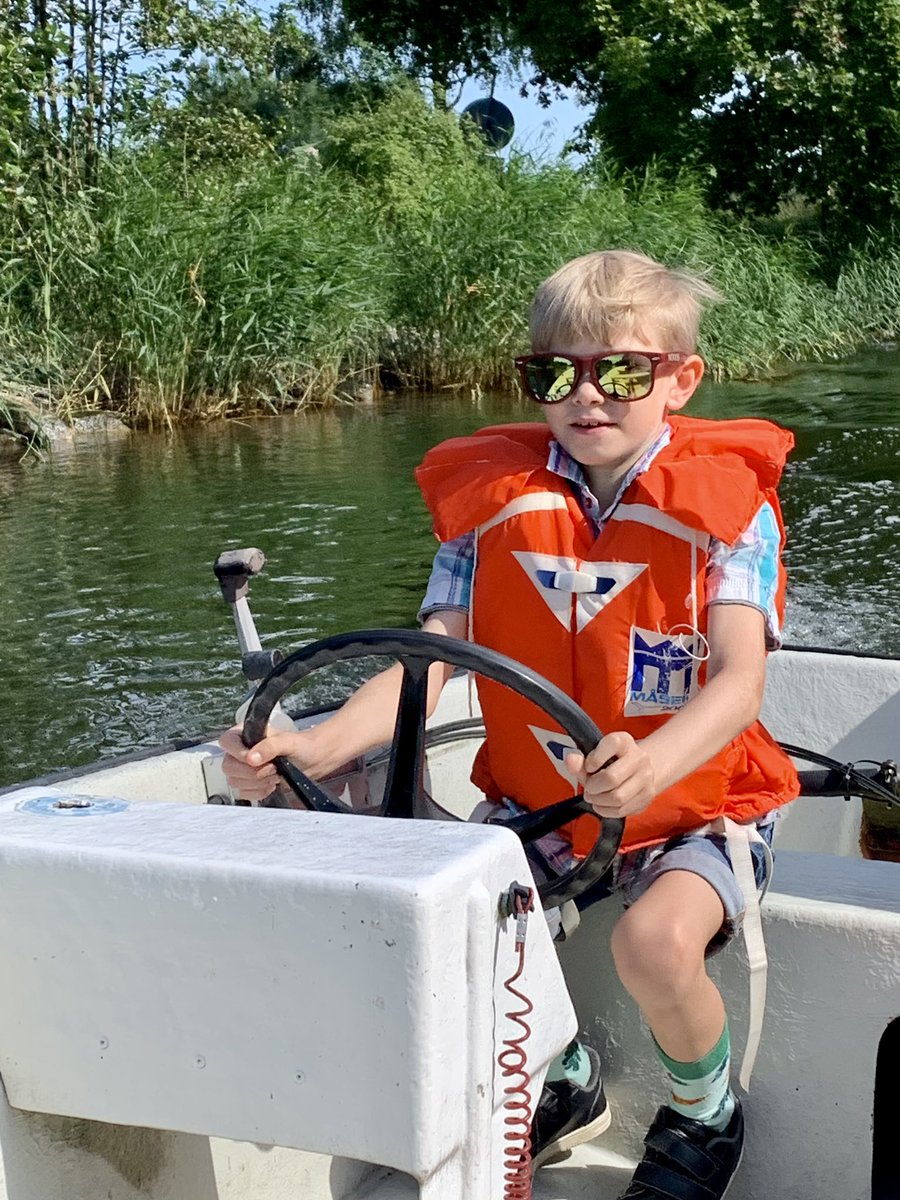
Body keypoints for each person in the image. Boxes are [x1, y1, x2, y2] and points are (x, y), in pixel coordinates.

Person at [220, 249, 800, 1199]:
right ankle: (567, 1079)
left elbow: (738, 683)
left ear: (681, 380)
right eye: (553, 374)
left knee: (651, 944)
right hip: (539, 805)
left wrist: (650, 767)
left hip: (699, 805)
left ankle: (706, 1114)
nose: (586, 397)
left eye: (620, 371)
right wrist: (308, 749)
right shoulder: (485, 510)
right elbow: (432, 660)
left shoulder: (733, 512)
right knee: (438, 929)